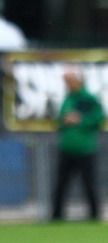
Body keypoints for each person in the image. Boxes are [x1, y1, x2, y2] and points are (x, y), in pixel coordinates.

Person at [50, 68, 104, 222]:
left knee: (89, 184)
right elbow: (60, 121)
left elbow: (98, 118)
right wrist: (64, 120)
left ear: (78, 80)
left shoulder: (88, 98)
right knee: (61, 185)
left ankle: (94, 216)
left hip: (85, 149)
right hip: (67, 148)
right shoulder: (67, 98)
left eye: (69, 80)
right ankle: (57, 216)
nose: (67, 83)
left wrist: (80, 120)